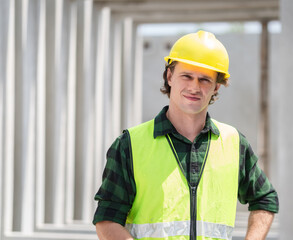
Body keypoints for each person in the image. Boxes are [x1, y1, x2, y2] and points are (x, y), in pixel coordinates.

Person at [93, 30, 279, 240]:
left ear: (217, 86)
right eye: (187, 76)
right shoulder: (130, 145)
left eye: (204, 80)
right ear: (170, 76)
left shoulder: (234, 143)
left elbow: (265, 199)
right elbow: (107, 220)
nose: (194, 87)